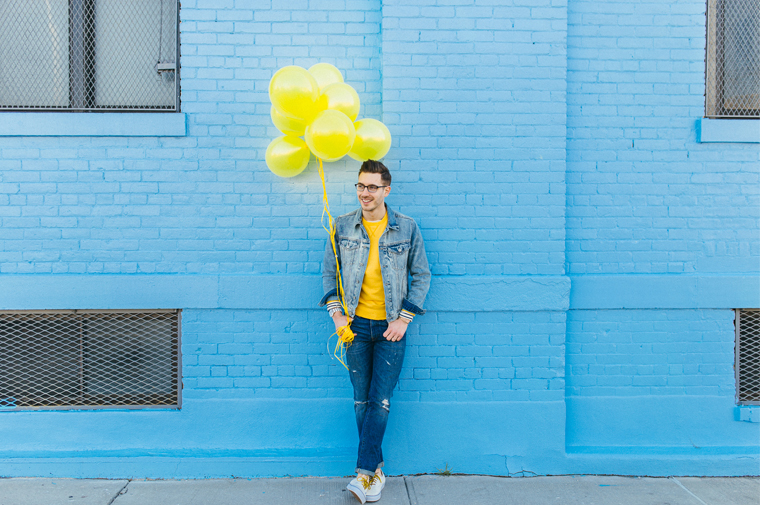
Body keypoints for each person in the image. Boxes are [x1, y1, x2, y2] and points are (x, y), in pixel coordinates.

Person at [319, 160, 431, 503]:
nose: (365, 193)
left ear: (386, 190)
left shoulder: (406, 228)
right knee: (360, 400)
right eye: (360, 186)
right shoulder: (342, 226)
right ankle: (375, 472)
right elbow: (329, 274)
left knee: (379, 401)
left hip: (390, 329)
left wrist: (403, 319)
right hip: (354, 327)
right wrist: (337, 316)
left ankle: (363, 475)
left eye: (372, 187)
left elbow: (422, 276)